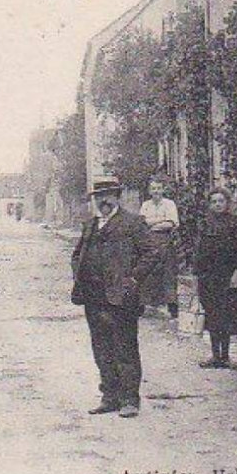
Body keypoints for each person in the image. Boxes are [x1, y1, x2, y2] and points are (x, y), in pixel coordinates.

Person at [71, 177, 150, 418]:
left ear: (117, 196)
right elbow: (77, 255)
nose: (103, 200)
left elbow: (152, 253)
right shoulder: (89, 225)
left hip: (121, 296)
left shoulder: (133, 223)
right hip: (93, 296)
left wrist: (133, 279)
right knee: (101, 348)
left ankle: (129, 399)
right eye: (98, 196)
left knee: (125, 347)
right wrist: (80, 276)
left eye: (108, 195)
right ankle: (110, 396)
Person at [192, 187, 237, 369]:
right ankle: (215, 355)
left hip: (228, 275)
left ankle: (225, 356)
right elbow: (199, 251)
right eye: (214, 202)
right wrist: (196, 275)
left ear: (227, 203)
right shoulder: (205, 223)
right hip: (208, 276)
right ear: (210, 205)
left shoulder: (236, 223)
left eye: (221, 201)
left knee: (227, 314)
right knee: (211, 315)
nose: (218, 204)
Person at [139, 178, 182, 320]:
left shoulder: (169, 204)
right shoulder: (145, 205)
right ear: (149, 191)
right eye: (153, 189)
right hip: (149, 243)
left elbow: (171, 223)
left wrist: (153, 224)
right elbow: (142, 223)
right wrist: (160, 221)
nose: (156, 191)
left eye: (158, 188)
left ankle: (172, 306)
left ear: (163, 190)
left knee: (168, 274)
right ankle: (145, 305)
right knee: (148, 272)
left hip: (165, 241)